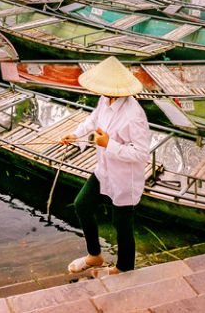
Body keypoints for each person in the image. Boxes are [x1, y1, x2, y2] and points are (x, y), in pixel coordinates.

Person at [60, 56, 151, 274]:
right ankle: (95, 256)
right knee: (82, 204)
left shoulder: (133, 115)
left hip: (124, 178)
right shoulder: (105, 99)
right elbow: (93, 120)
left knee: (121, 225)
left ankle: (124, 268)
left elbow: (141, 154)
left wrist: (109, 144)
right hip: (104, 171)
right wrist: (76, 134)